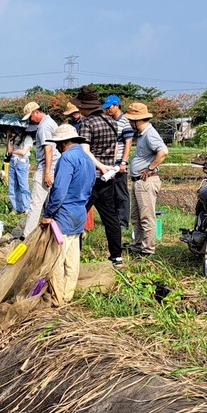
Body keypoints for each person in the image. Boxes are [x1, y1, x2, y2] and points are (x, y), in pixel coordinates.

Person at [40, 124, 96, 305]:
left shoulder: (67, 158)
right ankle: (68, 294)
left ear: (64, 143)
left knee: (57, 259)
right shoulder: (87, 159)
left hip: (64, 214)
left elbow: (59, 190)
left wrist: (48, 214)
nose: (56, 147)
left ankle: (58, 297)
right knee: (73, 258)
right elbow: (91, 187)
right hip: (79, 212)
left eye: (57, 143)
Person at [72, 86, 123, 268]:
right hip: (108, 177)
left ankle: (73, 253)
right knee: (110, 216)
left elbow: (85, 151)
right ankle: (116, 256)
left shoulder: (88, 123)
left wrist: (100, 166)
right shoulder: (112, 122)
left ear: (85, 107)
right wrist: (109, 166)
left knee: (77, 214)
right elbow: (116, 148)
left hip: (90, 178)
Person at [125, 103, 168, 256]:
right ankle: (138, 244)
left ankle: (148, 249)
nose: (129, 123)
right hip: (139, 181)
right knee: (136, 217)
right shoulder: (144, 134)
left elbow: (163, 152)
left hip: (146, 182)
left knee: (146, 217)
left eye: (131, 120)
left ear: (137, 120)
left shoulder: (150, 134)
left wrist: (150, 168)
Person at [22, 101, 60, 238]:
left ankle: (28, 237)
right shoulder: (51, 122)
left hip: (46, 167)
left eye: (30, 117)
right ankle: (51, 234)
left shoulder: (44, 127)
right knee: (50, 204)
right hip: (54, 167)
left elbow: (48, 150)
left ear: (35, 113)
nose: (31, 121)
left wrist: (47, 173)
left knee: (35, 204)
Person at [102, 95, 134, 230]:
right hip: (109, 162)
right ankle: (113, 220)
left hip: (119, 162)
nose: (107, 110)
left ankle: (123, 222)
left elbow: (128, 142)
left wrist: (124, 162)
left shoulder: (125, 122)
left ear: (116, 105)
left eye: (109, 107)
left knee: (121, 193)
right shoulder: (110, 121)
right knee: (110, 193)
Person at [6, 124, 35, 214]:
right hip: (13, 161)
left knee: (23, 185)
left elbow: (23, 152)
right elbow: (9, 151)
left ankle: (26, 207)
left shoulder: (28, 138)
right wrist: (9, 138)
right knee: (12, 185)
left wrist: (13, 151)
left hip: (21, 162)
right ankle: (16, 207)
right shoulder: (14, 138)